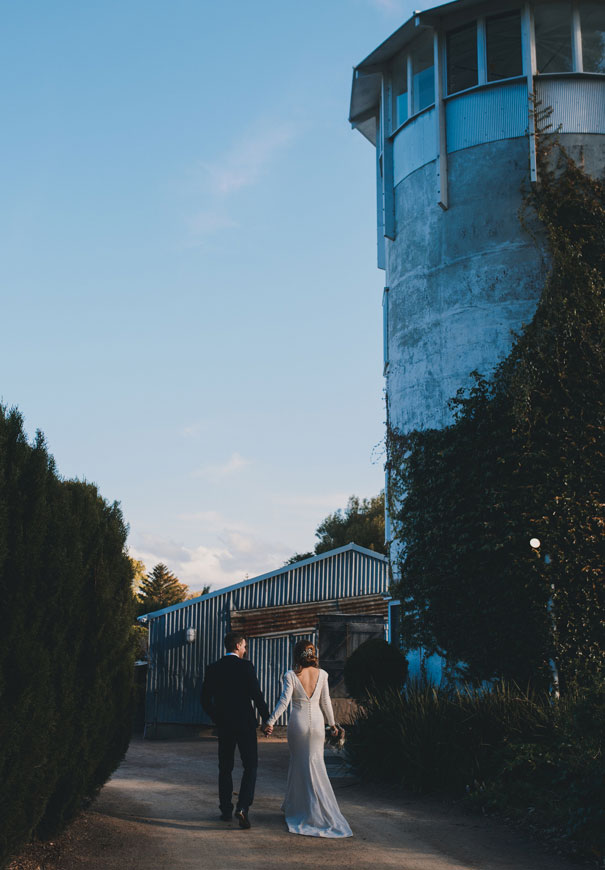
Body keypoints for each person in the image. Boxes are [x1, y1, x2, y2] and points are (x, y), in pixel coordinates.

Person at [264, 640, 353, 838]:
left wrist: (270, 721)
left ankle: (304, 809)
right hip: (318, 725)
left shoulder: (291, 675)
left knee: (299, 764)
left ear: (297, 655)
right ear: (313, 654)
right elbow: (326, 702)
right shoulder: (323, 675)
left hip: (298, 723)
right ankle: (302, 806)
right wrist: (332, 724)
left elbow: (284, 701)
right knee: (315, 764)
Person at [201, 631, 270, 829]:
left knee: (225, 767)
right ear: (238, 646)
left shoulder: (213, 668)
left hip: (224, 725)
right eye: (245, 646)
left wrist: (217, 717)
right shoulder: (246, 667)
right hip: (245, 724)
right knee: (251, 766)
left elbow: (204, 700)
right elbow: (257, 695)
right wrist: (267, 720)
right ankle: (243, 808)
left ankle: (225, 810)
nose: (246, 649)